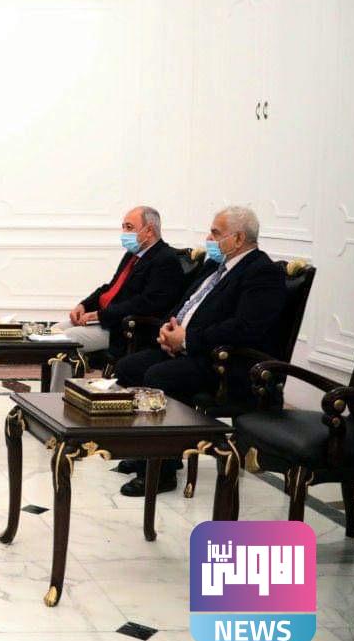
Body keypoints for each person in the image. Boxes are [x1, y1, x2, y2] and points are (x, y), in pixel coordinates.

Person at [113, 205, 286, 496]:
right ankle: (149, 450)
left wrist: (187, 340)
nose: (209, 238)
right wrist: (168, 331)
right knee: (128, 367)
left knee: (160, 376)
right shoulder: (216, 266)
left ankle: (162, 471)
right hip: (193, 349)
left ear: (238, 238)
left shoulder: (262, 272)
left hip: (227, 363)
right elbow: (185, 303)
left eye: (216, 233)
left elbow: (245, 328)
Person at [52, 206, 185, 364]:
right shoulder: (132, 255)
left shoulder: (165, 259)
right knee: (54, 331)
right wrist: (84, 305)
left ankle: (67, 379)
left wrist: (100, 315)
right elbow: (111, 288)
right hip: (107, 320)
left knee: (64, 340)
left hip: (125, 329)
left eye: (129, 227)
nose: (124, 233)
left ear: (149, 230)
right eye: (123, 227)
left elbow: (147, 303)